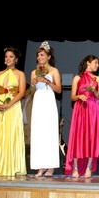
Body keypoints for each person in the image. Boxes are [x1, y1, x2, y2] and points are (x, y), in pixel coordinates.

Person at [0, 47, 27, 176]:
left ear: (16, 59)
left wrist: (9, 104)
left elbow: (22, 92)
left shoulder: (20, 74)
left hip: (12, 106)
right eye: (6, 56)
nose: (8, 59)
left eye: (11, 56)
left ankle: (10, 166)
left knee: (10, 134)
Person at [65, 55, 99, 178]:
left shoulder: (98, 79)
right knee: (78, 136)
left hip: (93, 108)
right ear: (88, 63)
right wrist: (79, 96)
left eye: (98, 63)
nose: (97, 65)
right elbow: (72, 96)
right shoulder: (78, 78)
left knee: (92, 137)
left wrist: (95, 91)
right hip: (80, 109)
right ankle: (75, 167)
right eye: (95, 62)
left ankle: (89, 167)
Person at [29, 41, 62, 177]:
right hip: (38, 101)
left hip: (48, 100)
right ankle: (40, 166)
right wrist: (34, 84)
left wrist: (47, 81)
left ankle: (51, 166)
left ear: (48, 56)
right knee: (38, 133)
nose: (39, 57)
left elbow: (59, 90)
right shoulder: (33, 72)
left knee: (49, 132)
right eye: (38, 55)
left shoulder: (54, 71)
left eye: (42, 55)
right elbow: (31, 92)